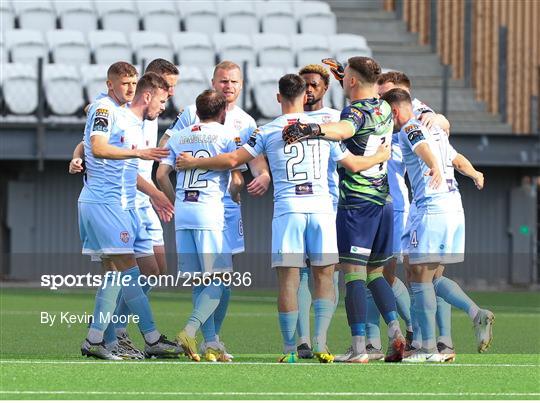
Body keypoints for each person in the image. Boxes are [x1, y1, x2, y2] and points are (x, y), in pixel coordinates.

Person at [176, 74, 390, 363]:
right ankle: (321, 344)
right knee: (324, 276)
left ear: (278, 97)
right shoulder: (322, 130)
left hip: (288, 210)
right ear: (305, 97)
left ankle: (290, 350)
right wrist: (380, 156)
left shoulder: (266, 130)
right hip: (321, 209)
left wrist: (194, 162)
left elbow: (232, 160)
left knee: (289, 281)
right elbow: (352, 164)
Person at [283, 57, 406, 363]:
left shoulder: (354, 110)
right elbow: (362, 104)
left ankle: (359, 348)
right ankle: (396, 333)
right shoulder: (384, 107)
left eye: (345, 78)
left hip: (357, 203)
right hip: (384, 202)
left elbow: (344, 128)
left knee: (353, 276)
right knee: (376, 274)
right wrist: (345, 75)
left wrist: (310, 128)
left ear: (351, 81)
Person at [165, 61, 271, 359]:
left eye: (234, 82)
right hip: (206, 205)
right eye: (223, 81)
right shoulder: (190, 113)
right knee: (214, 277)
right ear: (213, 81)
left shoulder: (246, 121)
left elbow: (255, 161)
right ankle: (206, 339)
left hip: (227, 206)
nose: (228, 86)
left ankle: (211, 339)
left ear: (241, 85)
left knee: (220, 279)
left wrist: (262, 176)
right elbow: (168, 146)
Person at [380, 88, 494, 363]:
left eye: (386, 115)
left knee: (419, 277)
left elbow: (421, 146)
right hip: (454, 206)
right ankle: (473, 314)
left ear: (394, 111)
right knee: (426, 275)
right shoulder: (438, 130)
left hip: (430, 208)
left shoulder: (410, 127)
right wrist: (476, 173)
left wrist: (433, 166)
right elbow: (457, 159)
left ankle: (426, 347)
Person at [78, 71, 181, 360]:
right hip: (106, 204)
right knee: (131, 272)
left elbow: (91, 145)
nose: (164, 105)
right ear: (148, 96)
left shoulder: (130, 120)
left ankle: (97, 339)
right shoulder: (108, 110)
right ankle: (151, 337)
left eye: (133, 84)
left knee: (115, 274)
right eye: (162, 99)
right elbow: (96, 147)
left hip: (117, 205)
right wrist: (139, 155)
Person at [157, 89, 244, 362]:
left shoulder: (180, 136)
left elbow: (161, 175)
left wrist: (178, 202)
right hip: (210, 213)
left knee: (199, 282)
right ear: (222, 112)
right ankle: (190, 330)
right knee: (220, 278)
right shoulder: (228, 136)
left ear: (197, 111)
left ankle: (210, 344)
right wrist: (235, 193)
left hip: (184, 215)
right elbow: (237, 179)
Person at [294, 64, 342, 359]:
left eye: (313, 84)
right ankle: (302, 340)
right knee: (297, 273)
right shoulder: (290, 119)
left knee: (327, 273)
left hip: (330, 204)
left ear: (325, 88)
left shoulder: (336, 119)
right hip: (297, 205)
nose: (308, 89)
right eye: (304, 84)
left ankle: (320, 338)